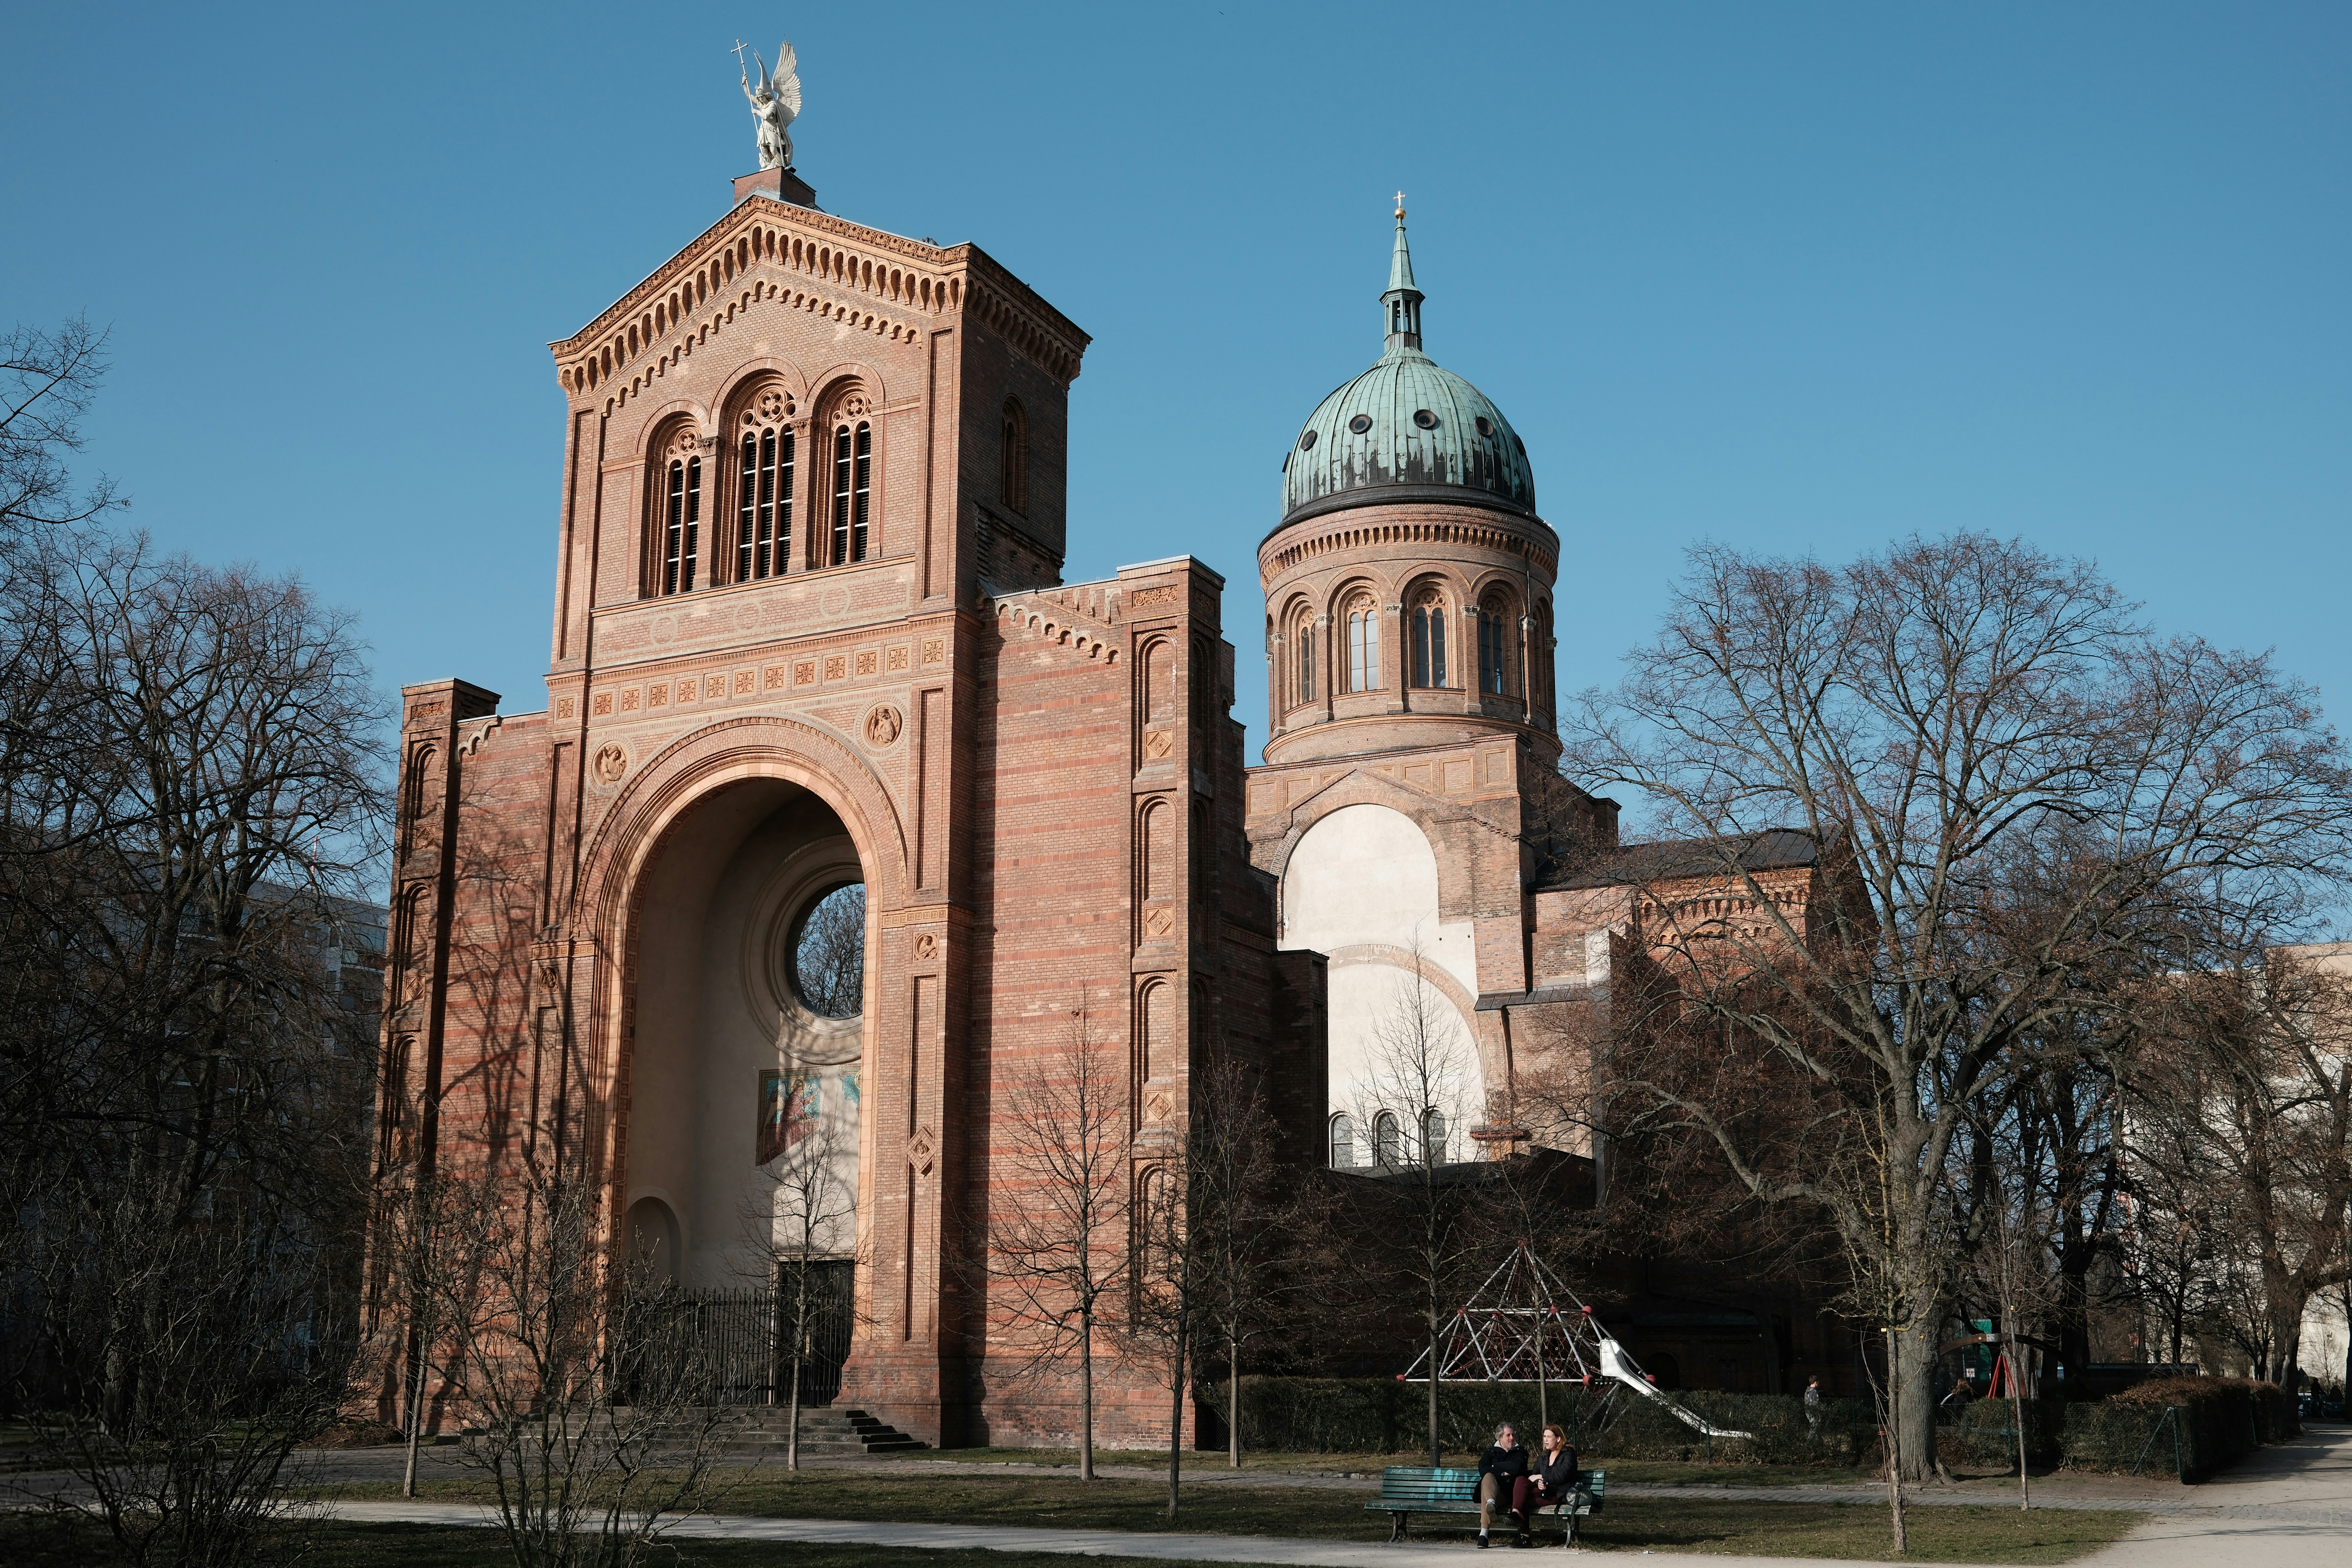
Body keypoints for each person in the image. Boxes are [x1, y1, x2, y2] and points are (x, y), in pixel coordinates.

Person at [1512, 1423, 1580, 1546]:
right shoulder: (1544, 1455)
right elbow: (1534, 1474)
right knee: (1521, 1481)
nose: (1546, 1440)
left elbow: (1562, 1476)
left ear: (1558, 1439)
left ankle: (1525, 1537)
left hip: (1558, 1492)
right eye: (1544, 1436)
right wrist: (1539, 1483)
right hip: (1543, 1491)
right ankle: (1515, 1514)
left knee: (1521, 1498)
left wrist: (1542, 1478)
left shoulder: (1568, 1453)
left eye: (1549, 1437)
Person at [1474, 1422, 1529, 1548]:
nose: (1512, 1438)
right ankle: (1491, 1503)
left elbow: (1517, 1468)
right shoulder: (1491, 1452)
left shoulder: (1521, 1452)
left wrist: (1497, 1467)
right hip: (1495, 1493)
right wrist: (1504, 1473)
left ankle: (1483, 1535)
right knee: (1488, 1478)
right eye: (1508, 1435)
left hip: (1512, 1494)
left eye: (1513, 1435)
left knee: (1486, 1495)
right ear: (1500, 1438)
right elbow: (1483, 1470)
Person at [1803, 1376, 1823, 1440]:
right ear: (1816, 1382)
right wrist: (1819, 1415)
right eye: (1818, 1383)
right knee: (1815, 1427)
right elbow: (1815, 1404)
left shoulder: (1807, 1392)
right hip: (1814, 1412)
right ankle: (1809, 1442)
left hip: (1808, 1412)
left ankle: (1820, 1442)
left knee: (1816, 1427)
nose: (1819, 1384)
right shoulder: (1815, 1392)